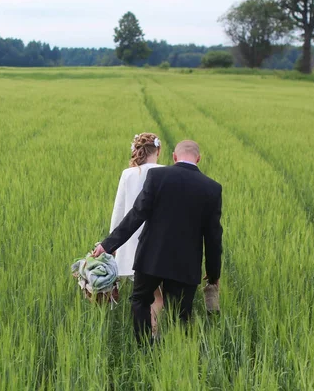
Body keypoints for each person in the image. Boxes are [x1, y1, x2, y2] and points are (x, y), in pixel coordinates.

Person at [93, 140, 223, 344]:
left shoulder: (157, 176)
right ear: (198, 159)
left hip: (151, 257)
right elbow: (214, 237)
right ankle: (174, 353)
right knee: (180, 314)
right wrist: (213, 274)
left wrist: (107, 245)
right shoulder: (212, 188)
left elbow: (135, 215)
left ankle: (145, 348)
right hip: (186, 264)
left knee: (140, 300)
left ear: (173, 156)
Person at [109, 133, 164, 336]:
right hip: (161, 242)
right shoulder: (166, 172)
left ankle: (150, 337)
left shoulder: (128, 174)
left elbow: (119, 210)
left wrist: (111, 245)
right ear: (158, 151)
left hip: (133, 243)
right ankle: (154, 335)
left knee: (147, 294)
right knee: (158, 295)